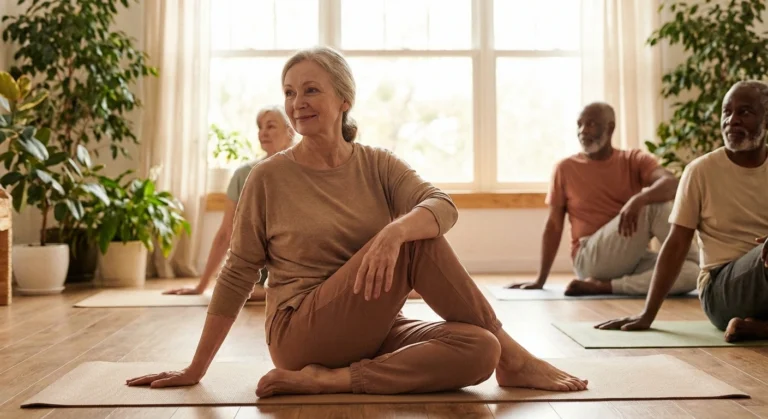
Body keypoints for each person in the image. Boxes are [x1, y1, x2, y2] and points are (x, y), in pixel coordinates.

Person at [126, 46, 588, 397]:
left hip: (374, 330)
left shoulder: (377, 164)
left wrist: (395, 229)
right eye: (290, 92)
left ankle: (334, 381)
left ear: (344, 99)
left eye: (311, 90)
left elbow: (442, 205)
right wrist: (196, 369)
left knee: (480, 348)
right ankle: (518, 358)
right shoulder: (268, 177)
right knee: (416, 241)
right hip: (300, 331)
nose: (297, 102)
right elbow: (238, 270)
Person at [595, 80, 768, 342]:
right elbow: (676, 245)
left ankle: (758, 328)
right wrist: (647, 314)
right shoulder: (700, 171)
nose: (732, 120)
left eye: (744, 112)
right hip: (721, 292)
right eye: (727, 111)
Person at [507, 102, 700, 297]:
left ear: (610, 127)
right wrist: (540, 280)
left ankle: (606, 286)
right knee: (654, 206)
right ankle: (701, 261)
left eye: (591, 124)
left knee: (693, 273)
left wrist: (638, 199)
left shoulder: (632, 159)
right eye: (579, 124)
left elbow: (672, 184)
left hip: (629, 258)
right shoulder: (565, 168)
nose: (583, 131)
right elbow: (554, 225)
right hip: (589, 258)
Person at [163, 106, 296, 300]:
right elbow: (226, 232)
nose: (263, 133)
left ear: (290, 131)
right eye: (260, 127)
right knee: (232, 291)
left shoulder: (305, 170)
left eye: (271, 126)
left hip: (295, 263)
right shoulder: (243, 174)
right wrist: (201, 286)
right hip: (262, 270)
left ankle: (286, 291)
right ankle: (275, 292)